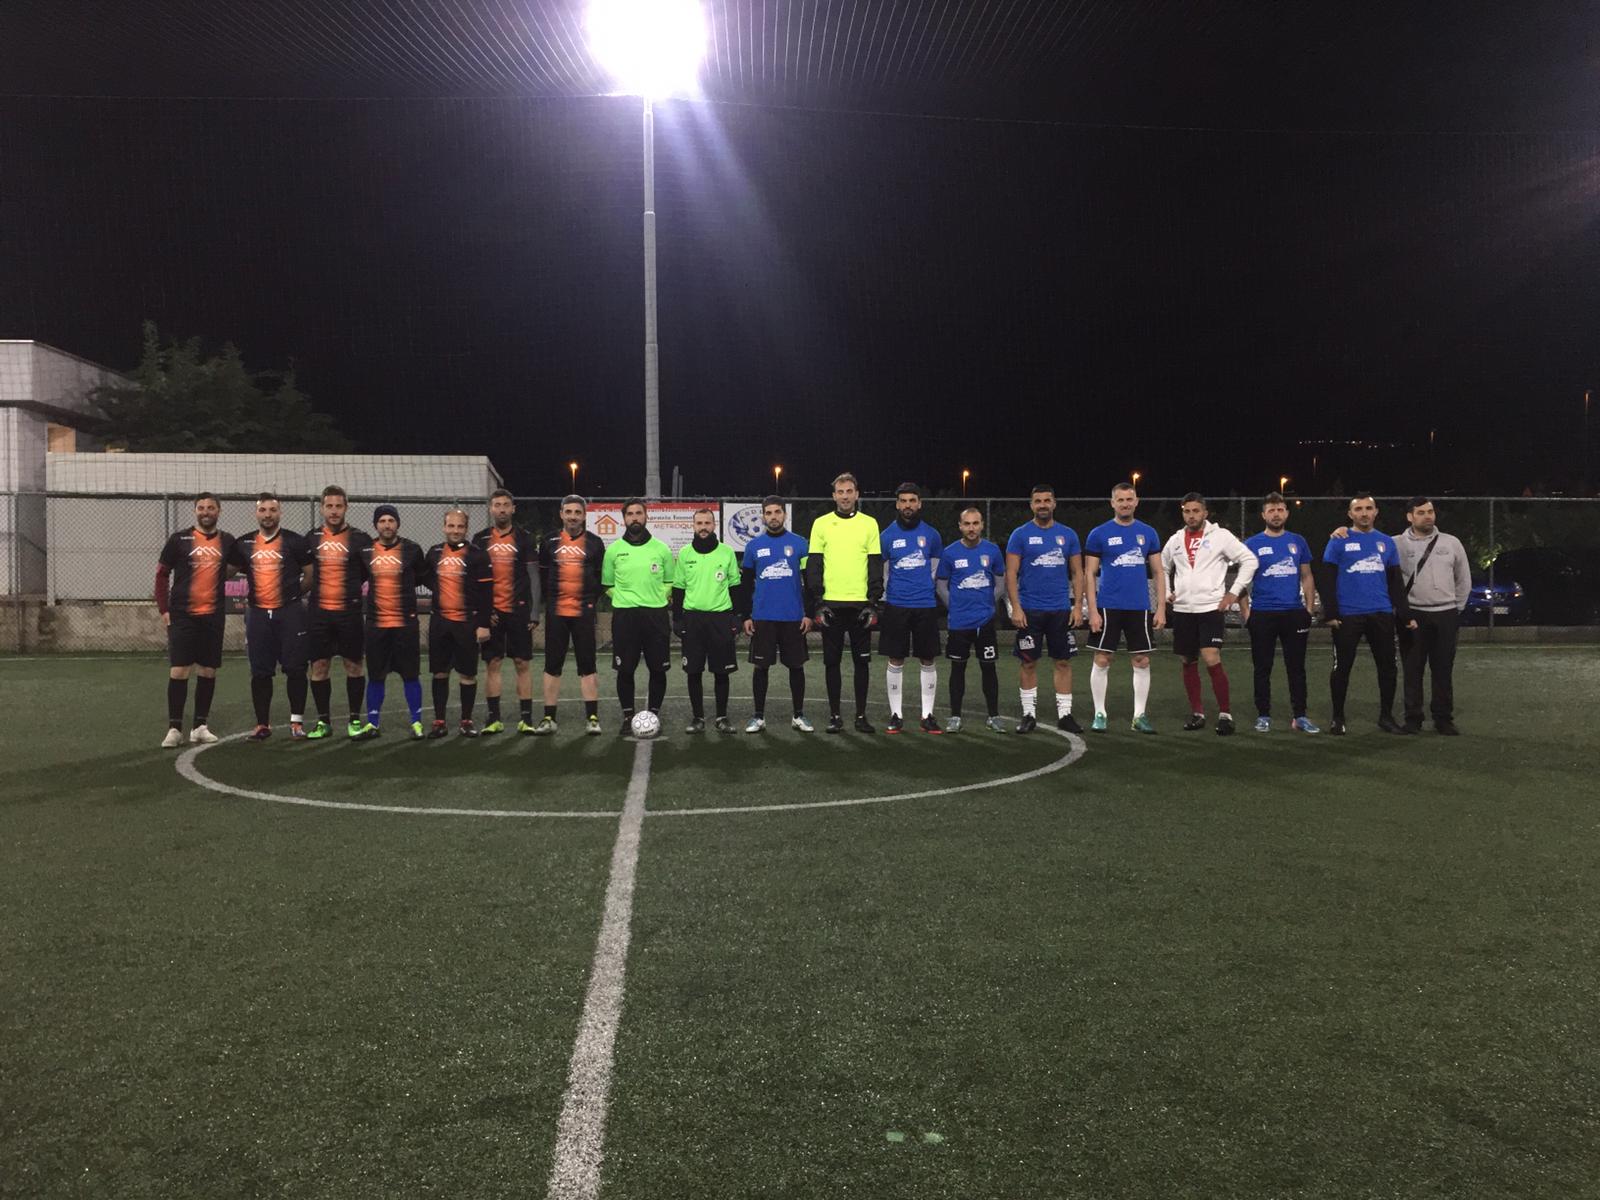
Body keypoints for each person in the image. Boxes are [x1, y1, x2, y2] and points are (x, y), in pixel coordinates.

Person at [1330, 497, 1471, 735]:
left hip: (1446, 613)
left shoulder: (1452, 542)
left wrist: (1457, 608)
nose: (1427, 516)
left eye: (1430, 511)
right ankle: (1413, 718)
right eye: (1421, 512)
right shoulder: (1394, 543)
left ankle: (1443, 718)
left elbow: (1463, 577)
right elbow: (1368, 545)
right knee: (1412, 668)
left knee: (1443, 668)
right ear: (1410, 517)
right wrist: (1340, 530)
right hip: (1413, 613)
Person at [1315, 493, 1410, 735]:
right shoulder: (1338, 540)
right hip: (1347, 616)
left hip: (1381, 613)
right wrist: (1330, 612)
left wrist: (1404, 613)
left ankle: (1386, 717)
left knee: (1388, 667)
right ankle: (1338, 718)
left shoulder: (1386, 542)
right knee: (1342, 668)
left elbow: (1395, 582)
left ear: (1376, 512)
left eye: (1369, 508)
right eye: (1359, 509)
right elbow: (1326, 579)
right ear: (1350, 514)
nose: (1364, 513)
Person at [1161, 493, 1256, 736]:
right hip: (1183, 609)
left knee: (1211, 656)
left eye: (1196, 511)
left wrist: (1233, 593)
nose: (1191, 515)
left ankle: (1225, 714)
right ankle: (1197, 713)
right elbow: (1162, 566)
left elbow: (1249, 560)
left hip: (1211, 608)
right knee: (1187, 660)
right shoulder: (1175, 540)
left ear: (1205, 513)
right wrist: (1168, 592)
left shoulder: (1220, 536)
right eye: (1187, 511)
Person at [228, 492, 312, 740]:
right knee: (261, 671)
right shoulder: (243, 543)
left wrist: (293, 596)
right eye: (263, 510)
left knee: (296, 669)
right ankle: (262, 725)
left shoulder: (295, 541)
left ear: (280, 513)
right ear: (256, 513)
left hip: (290, 613)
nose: (268, 515)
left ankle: (296, 724)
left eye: (272, 510)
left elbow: (311, 575)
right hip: (258, 615)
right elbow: (224, 572)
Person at [1083, 482, 1166, 733]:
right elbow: (1090, 573)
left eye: (1129, 499)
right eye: (1120, 500)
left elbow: (1158, 572)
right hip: (1108, 606)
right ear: (1112, 503)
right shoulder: (1099, 533)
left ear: (1136, 501)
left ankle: (1139, 716)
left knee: (1141, 660)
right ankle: (1100, 713)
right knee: (1102, 658)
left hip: (1139, 606)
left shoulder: (1148, 533)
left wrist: (1161, 608)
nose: (1125, 504)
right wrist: (1093, 610)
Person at [156, 492, 236, 747]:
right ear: (195, 511)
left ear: (218, 511)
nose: (206, 512)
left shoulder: (227, 541)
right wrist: (164, 609)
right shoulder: (179, 539)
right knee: (179, 670)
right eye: (201, 508)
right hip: (182, 615)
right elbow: (162, 574)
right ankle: (174, 729)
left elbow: (238, 564)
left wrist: (219, 576)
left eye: (211, 508)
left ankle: (200, 726)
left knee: (208, 670)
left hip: (212, 616)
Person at [806, 473, 883, 734]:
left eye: (849, 491)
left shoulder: (869, 524)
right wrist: (818, 601)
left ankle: (861, 716)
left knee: (862, 663)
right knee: (832, 662)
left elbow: (875, 564)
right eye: (840, 492)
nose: (845, 496)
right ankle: (835, 716)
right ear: (834, 496)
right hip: (832, 605)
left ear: (857, 494)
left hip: (860, 605)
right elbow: (814, 565)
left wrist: (873, 601)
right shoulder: (821, 524)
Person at [1004, 485, 1084, 735]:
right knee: (1028, 663)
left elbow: (1077, 572)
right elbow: (1011, 573)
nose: (1042, 505)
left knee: (1063, 662)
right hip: (1030, 610)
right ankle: (1028, 714)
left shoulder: (1068, 534)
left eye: (1047, 500)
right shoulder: (1020, 534)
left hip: (1060, 609)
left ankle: (1065, 715)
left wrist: (1078, 606)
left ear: (1054, 503)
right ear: (1031, 505)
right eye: (1037, 501)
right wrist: (1016, 608)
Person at [1238, 492, 1321, 733]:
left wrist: (1308, 608)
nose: (1276, 514)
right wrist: (1246, 612)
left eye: (1280, 510)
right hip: (1262, 614)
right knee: (1262, 668)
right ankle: (1263, 715)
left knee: (1296, 668)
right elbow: (1242, 581)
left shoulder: (1298, 541)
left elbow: (1307, 575)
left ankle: (1300, 716)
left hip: (1293, 613)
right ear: (1263, 515)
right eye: (1271, 510)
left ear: (1287, 513)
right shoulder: (1252, 544)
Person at [531, 496, 605, 736]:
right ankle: (549, 718)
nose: (573, 516)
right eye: (569, 512)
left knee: (588, 665)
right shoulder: (548, 542)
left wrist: (589, 601)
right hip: (557, 613)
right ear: (561, 514)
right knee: (552, 665)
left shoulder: (595, 543)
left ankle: (592, 718)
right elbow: (542, 576)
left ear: (584, 515)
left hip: (583, 612)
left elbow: (599, 577)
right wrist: (551, 601)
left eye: (577, 512)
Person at [304, 485, 373, 739]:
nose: (334, 511)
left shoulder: (360, 538)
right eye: (329, 506)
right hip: (319, 613)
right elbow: (306, 571)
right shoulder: (311, 538)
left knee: (353, 665)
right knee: (319, 666)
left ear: (346, 508)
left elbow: (366, 571)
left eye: (338, 506)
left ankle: (354, 720)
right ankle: (323, 722)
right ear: (322, 508)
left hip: (349, 613)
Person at [741, 497, 814, 733]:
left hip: (793, 617)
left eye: (777, 512)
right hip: (763, 617)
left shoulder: (800, 544)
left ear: (785, 515)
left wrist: (808, 613)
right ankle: (758, 717)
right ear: (763, 516)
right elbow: (745, 584)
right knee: (761, 667)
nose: (773, 516)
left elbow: (809, 583)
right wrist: (746, 616)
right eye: (769, 513)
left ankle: (798, 715)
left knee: (796, 667)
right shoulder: (753, 547)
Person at [602, 499, 674, 734]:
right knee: (625, 670)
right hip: (625, 617)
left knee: (658, 669)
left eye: (638, 513)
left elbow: (670, 581)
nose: (634, 517)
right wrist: (624, 599)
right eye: (630, 514)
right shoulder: (613, 550)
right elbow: (607, 584)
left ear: (646, 516)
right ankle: (627, 716)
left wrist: (657, 597)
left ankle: (653, 715)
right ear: (624, 519)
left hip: (656, 615)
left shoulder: (661, 549)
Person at [473, 489, 541, 734]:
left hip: (518, 611)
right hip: (491, 613)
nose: (501, 509)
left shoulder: (525, 538)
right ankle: (494, 719)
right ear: (491, 509)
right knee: (493, 662)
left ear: (513, 509)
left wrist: (535, 611)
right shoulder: (480, 538)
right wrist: (482, 611)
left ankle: (526, 719)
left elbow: (534, 576)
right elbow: (474, 578)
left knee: (522, 663)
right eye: (497, 505)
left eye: (505, 505)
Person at [358, 504, 429, 739]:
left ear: (397, 523)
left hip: (405, 625)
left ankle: (417, 723)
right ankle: (373, 724)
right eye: (382, 521)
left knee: (411, 675)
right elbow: (358, 578)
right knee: (376, 676)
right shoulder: (365, 550)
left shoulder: (412, 549)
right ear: (375, 525)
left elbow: (422, 577)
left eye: (391, 520)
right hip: (376, 625)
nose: (387, 525)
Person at [672, 508, 745, 733]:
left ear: (714, 525)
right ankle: (698, 718)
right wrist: (677, 619)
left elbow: (735, 587)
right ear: (693, 526)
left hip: (720, 618)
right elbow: (678, 589)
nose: (703, 527)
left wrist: (737, 616)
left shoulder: (726, 552)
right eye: (699, 523)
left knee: (721, 671)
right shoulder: (685, 553)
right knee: (693, 671)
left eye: (707, 523)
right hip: (693, 619)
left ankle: (722, 717)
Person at [879, 483, 945, 733]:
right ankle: (896, 714)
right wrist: (888, 597)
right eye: (903, 501)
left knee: (927, 659)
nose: (908, 505)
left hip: (925, 605)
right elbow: (884, 572)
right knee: (896, 659)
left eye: (912, 500)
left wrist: (924, 590)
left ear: (920, 503)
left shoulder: (932, 535)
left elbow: (935, 570)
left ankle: (927, 715)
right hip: (896, 605)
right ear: (897, 504)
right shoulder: (887, 536)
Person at [424, 509, 494, 737]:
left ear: (466, 528)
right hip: (440, 622)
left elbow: (487, 593)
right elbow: (427, 578)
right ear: (444, 527)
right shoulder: (434, 553)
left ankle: (466, 721)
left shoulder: (478, 555)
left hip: (467, 623)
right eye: (451, 526)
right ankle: (439, 721)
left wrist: (483, 624)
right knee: (439, 672)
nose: (455, 531)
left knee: (467, 674)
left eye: (460, 526)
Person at [936, 506, 1006, 732]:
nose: (971, 528)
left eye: (975, 523)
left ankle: (993, 716)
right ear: (960, 526)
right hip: (959, 624)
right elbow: (941, 585)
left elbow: (1000, 583)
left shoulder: (992, 551)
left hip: (985, 622)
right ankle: (955, 717)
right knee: (957, 669)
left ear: (982, 525)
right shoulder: (950, 553)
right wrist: (955, 607)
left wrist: (987, 605)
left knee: (989, 669)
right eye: (967, 524)